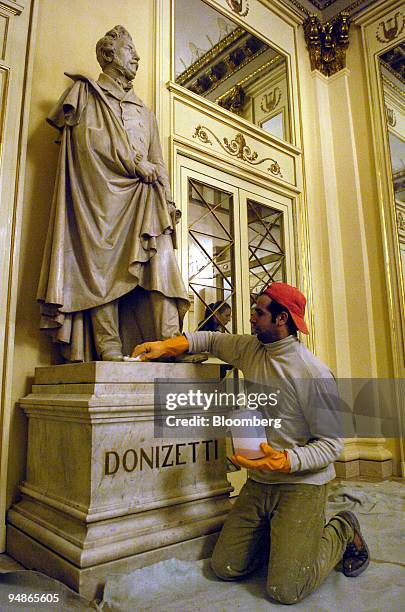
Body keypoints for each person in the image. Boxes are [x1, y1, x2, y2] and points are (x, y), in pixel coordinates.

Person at [131, 282, 369, 604]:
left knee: (286, 589)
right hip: (260, 481)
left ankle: (342, 528)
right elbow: (211, 339)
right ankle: (284, 538)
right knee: (225, 566)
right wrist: (165, 347)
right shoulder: (250, 348)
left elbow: (331, 445)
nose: (252, 317)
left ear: (281, 318)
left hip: (301, 484)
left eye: (259, 312)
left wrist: (284, 460)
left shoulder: (312, 373)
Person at [37, 25, 189, 361]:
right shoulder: (84, 95)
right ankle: (107, 346)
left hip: (146, 197)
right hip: (99, 198)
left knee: (160, 259)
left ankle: (168, 343)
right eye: (129, 49)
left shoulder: (144, 110)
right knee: (100, 265)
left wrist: (167, 196)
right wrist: (136, 165)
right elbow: (86, 144)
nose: (136, 57)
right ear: (108, 55)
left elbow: (157, 160)